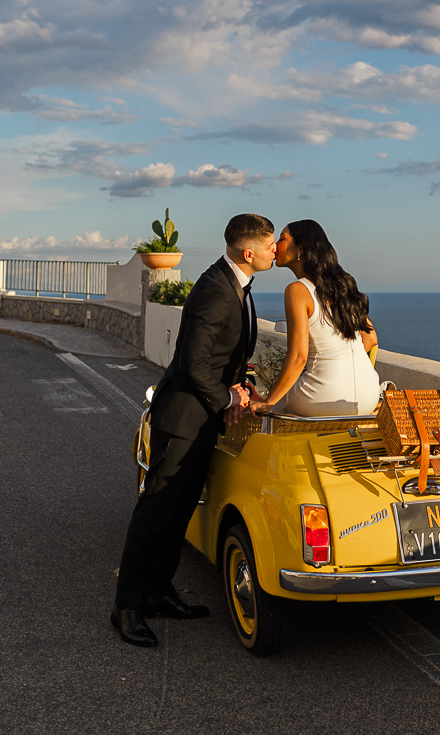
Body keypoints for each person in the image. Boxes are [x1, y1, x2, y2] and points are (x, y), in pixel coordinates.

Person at [111, 213, 276, 647]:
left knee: (180, 509)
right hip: (183, 418)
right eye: (269, 244)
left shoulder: (234, 284)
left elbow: (224, 356)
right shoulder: (217, 292)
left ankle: (159, 591)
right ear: (248, 252)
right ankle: (126, 606)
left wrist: (241, 382)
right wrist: (227, 399)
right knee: (155, 511)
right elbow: (193, 364)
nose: (274, 250)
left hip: (202, 418)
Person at [250, 219, 380, 419]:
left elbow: (298, 357)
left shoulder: (297, 290)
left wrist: (267, 403)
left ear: (300, 248)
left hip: (322, 397)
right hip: (368, 396)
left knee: (272, 414)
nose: (275, 246)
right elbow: (370, 339)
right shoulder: (344, 285)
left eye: (282, 239)